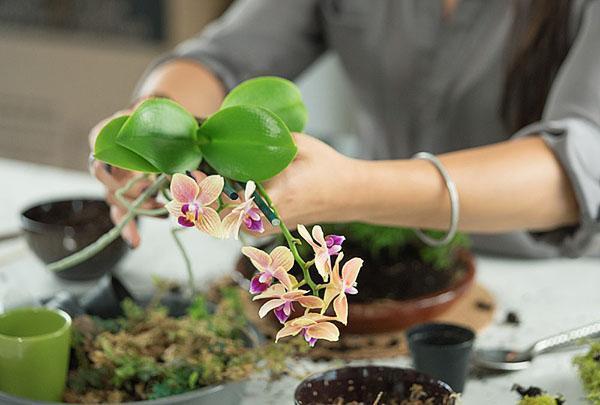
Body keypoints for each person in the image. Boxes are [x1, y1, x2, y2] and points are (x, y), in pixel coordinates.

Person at [89, 0, 600, 258]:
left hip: (546, 269)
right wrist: (153, 131)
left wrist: (351, 190)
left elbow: (579, 163)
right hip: (378, 248)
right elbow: (218, 58)